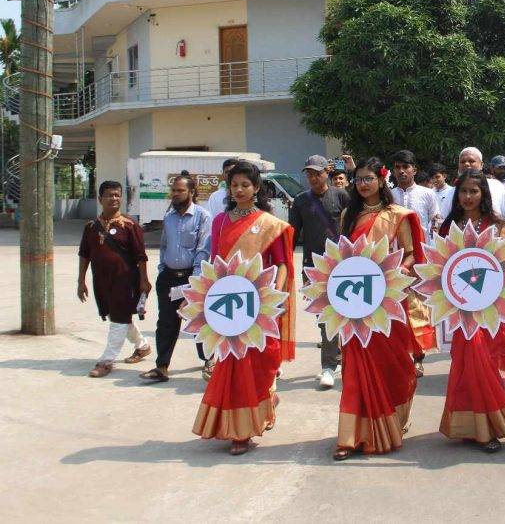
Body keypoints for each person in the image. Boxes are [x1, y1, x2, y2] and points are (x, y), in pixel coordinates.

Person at [193, 161, 296, 455]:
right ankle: (240, 430)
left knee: (263, 362)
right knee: (232, 366)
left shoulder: (269, 224)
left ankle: (265, 401)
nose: (239, 190)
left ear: (257, 188)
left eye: (245, 185)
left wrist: (278, 297)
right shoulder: (220, 221)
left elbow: (282, 264)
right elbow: (214, 263)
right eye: (234, 185)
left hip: (260, 304)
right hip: (229, 306)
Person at [332, 158, 431, 459]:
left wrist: (393, 273)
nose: (363, 184)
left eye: (369, 178)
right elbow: (343, 255)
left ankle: (390, 423)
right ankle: (350, 436)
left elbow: (413, 255)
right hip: (355, 303)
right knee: (355, 366)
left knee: (394, 365)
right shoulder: (349, 215)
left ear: (381, 180)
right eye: (359, 179)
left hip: (389, 301)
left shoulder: (399, 216)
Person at [437, 169, 505, 452]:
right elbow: (441, 269)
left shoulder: (504, 228)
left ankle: (493, 427)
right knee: (467, 361)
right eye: (463, 192)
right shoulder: (449, 229)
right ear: (456, 195)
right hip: (462, 310)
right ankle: (471, 426)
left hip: (494, 311)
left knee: (486, 362)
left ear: (484, 194)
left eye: (474, 191)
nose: (468, 197)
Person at [140, 172, 211, 383]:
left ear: (191, 192)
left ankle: (209, 363)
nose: (176, 194)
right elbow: (164, 245)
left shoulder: (203, 216)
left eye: (180, 190)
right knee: (166, 323)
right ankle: (161, 367)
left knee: (200, 322)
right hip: (169, 278)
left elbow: (203, 251)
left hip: (192, 277)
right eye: (173, 190)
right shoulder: (168, 216)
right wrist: (163, 268)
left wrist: (195, 283)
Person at [290, 154, 352, 390]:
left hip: (342, 265)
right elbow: (293, 234)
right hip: (314, 267)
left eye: (317, 173)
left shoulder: (342, 195)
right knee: (324, 317)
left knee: (344, 314)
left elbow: (354, 226)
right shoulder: (300, 201)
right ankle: (331, 362)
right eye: (309, 173)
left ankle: (332, 363)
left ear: (327, 172)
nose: (313, 178)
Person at [78, 181, 152, 378]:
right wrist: (81, 281)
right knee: (118, 316)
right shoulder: (91, 227)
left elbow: (141, 256)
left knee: (118, 318)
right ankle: (143, 345)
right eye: (110, 195)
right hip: (101, 282)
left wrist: (144, 281)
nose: (114, 198)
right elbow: (84, 254)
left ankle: (106, 361)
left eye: (118, 195)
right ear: (100, 198)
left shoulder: (130, 226)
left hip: (125, 281)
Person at [439, 147, 505, 225]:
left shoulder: (497, 187)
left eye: (471, 161)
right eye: (462, 162)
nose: (466, 164)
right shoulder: (451, 192)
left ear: (481, 165)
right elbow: (443, 221)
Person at [391, 149, 441, 240]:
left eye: (405, 167)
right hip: (396, 250)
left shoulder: (428, 193)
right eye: (397, 167)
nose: (401, 171)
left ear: (414, 171)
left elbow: (435, 219)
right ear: (394, 171)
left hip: (421, 247)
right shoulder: (389, 195)